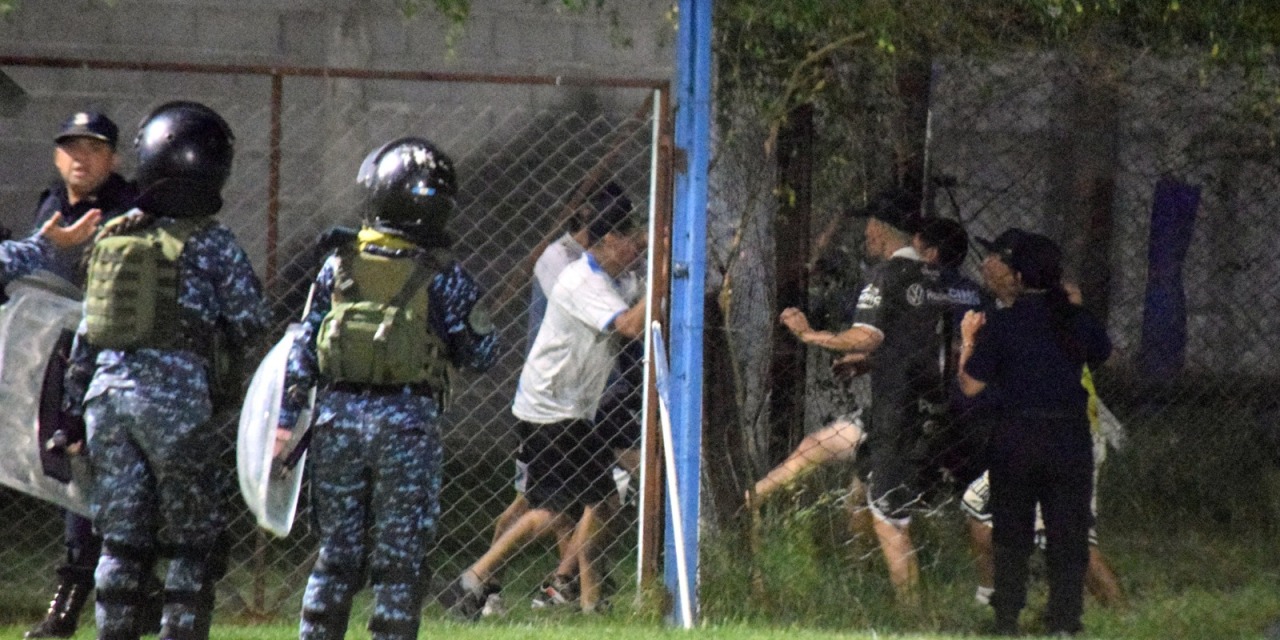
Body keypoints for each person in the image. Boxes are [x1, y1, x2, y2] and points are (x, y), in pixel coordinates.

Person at [64, 101, 271, 640]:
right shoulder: (212, 241)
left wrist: (70, 414)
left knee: (122, 542)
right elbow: (252, 320)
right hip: (174, 407)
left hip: (106, 402)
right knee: (190, 541)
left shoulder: (114, 234)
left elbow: (87, 335)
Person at [276, 136, 498, 640]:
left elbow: (303, 348)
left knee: (334, 556)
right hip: (408, 428)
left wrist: (287, 422)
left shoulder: (338, 263)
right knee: (400, 563)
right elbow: (483, 354)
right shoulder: (444, 277)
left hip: (336, 424)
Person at [442, 182, 645, 617]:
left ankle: (591, 602)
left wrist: (652, 248)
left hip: (570, 411)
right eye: (632, 242)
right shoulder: (581, 279)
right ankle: (475, 578)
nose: (638, 252)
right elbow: (630, 325)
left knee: (599, 501)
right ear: (609, 241)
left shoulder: (610, 278)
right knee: (553, 511)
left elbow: (631, 303)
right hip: (551, 409)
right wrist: (666, 274)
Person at [773, 188, 949, 603]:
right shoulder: (937, 279)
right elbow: (917, 346)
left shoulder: (886, 277)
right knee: (868, 496)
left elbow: (867, 336)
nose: (865, 234)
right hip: (932, 408)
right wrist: (870, 363)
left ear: (881, 230)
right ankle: (865, 585)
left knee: (890, 518)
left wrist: (808, 334)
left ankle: (914, 621)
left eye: (869, 225)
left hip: (896, 411)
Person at [749, 216, 984, 506]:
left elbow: (875, 337)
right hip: (959, 413)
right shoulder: (975, 295)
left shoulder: (910, 283)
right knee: (863, 490)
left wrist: (811, 334)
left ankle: (748, 502)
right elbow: (933, 351)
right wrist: (874, 361)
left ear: (932, 254)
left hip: (907, 410)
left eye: (916, 245)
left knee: (816, 449)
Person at [21, 110, 144, 640]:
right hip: (53, 362)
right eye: (71, 147)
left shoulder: (127, 209)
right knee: (72, 477)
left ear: (113, 159)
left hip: (107, 366)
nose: (80, 158)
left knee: (98, 480)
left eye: (93, 148)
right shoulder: (51, 204)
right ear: (56, 155)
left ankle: (85, 601)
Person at [957, 228, 1112, 636]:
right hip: (1068, 437)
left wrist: (967, 344)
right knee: (1069, 533)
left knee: (1011, 533)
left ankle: (1007, 617)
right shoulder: (1074, 321)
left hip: (1017, 436)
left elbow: (971, 386)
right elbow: (1100, 353)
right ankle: (1065, 620)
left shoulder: (1003, 325)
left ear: (1020, 277)